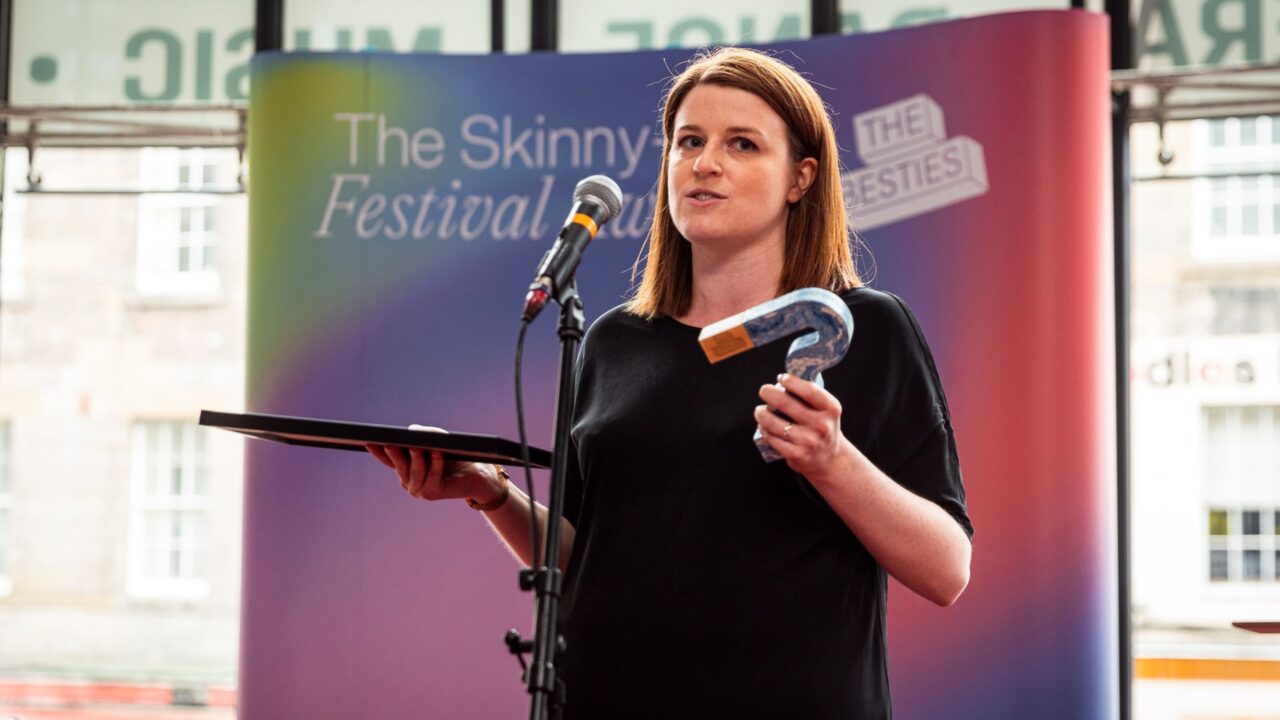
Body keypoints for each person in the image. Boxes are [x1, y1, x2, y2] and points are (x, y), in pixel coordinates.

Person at [368, 47, 972, 719]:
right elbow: (587, 558)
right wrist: (490, 490)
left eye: (742, 144)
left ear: (800, 178)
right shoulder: (614, 342)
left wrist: (831, 461)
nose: (704, 162)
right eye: (688, 142)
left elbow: (946, 569)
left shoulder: (863, 328)